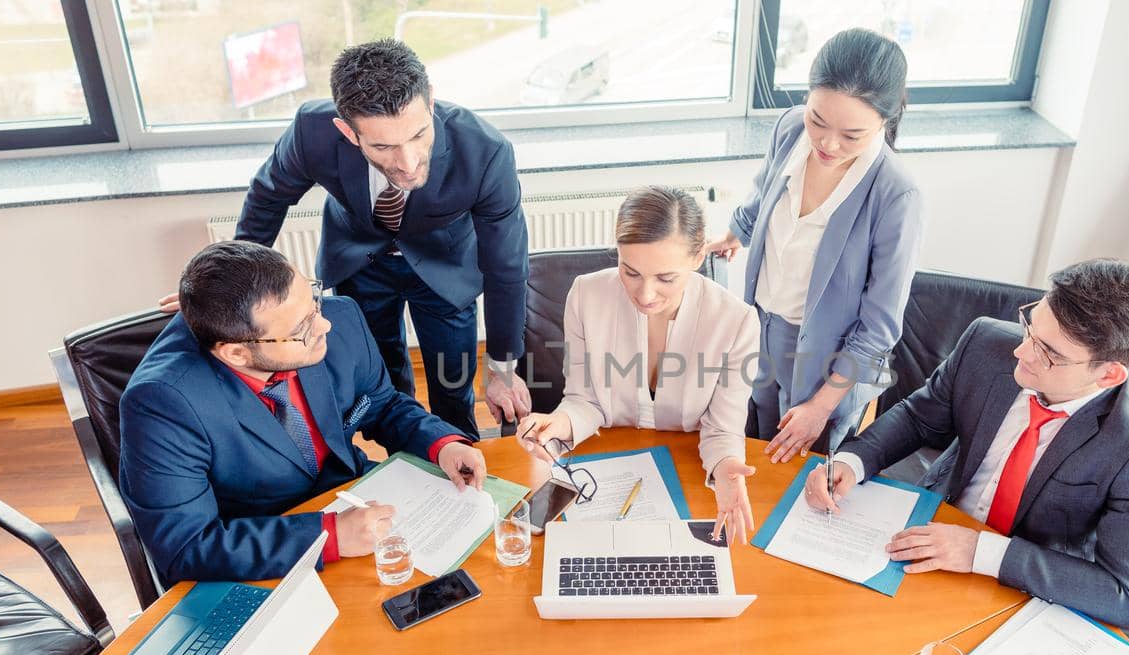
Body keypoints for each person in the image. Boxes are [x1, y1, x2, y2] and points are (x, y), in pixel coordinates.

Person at [806, 259, 1129, 628]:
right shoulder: (985, 344)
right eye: (1030, 328)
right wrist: (852, 462)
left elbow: (1127, 595)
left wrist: (978, 552)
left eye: (1049, 352)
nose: (1022, 352)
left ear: (1109, 374)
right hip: (928, 530)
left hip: (1022, 587)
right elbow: (918, 417)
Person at [193, 38, 532, 440]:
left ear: (431, 102)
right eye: (384, 146)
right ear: (347, 131)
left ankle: (458, 455)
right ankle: (404, 457)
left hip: (446, 270)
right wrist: (227, 288)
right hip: (359, 263)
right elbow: (269, 198)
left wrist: (503, 368)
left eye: (419, 135)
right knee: (380, 382)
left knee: (452, 383)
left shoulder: (485, 151)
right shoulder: (312, 131)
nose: (407, 163)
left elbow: (507, 265)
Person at [121, 242, 490, 584]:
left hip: (356, 503)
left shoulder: (340, 318)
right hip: (267, 555)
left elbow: (384, 405)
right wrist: (328, 534)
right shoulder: (162, 403)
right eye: (301, 329)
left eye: (313, 303)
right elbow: (186, 547)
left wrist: (441, 444)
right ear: (236, 353)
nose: (324, 324)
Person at [707, 28, 921, 464]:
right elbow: (763, 191)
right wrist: (735, 234)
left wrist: (822, 406)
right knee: (753, 440)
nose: (827, 143)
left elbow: (879, 326)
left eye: (851, 135)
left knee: (802, 466)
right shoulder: (789, 129)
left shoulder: (896, 194)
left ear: (885, 120)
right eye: (818, 120)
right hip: (759, 324)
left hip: (827, 358)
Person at [515, 186, 761, 544]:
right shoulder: (586, 295)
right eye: (630, 272)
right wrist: (558, 423)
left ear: (697, 257)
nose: (645, 295)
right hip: (606, 469)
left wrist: (725, 469)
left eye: (666, 278)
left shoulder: (736, 322)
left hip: (688, 469)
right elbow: (586, 400)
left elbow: (722, 430)